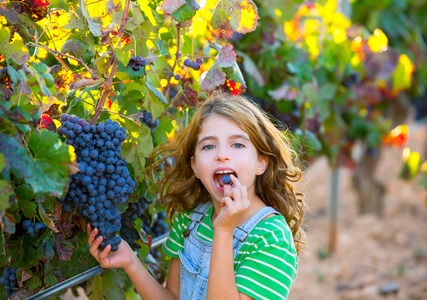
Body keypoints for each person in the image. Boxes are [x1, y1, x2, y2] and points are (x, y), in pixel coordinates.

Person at [87, 91, 305, 300]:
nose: (221, 155)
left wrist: (224, 230)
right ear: (195, 167)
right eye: (209, 146)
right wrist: (131, 263)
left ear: (261, 163)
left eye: (237, 144)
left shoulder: (271, 238)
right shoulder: (190, 221)